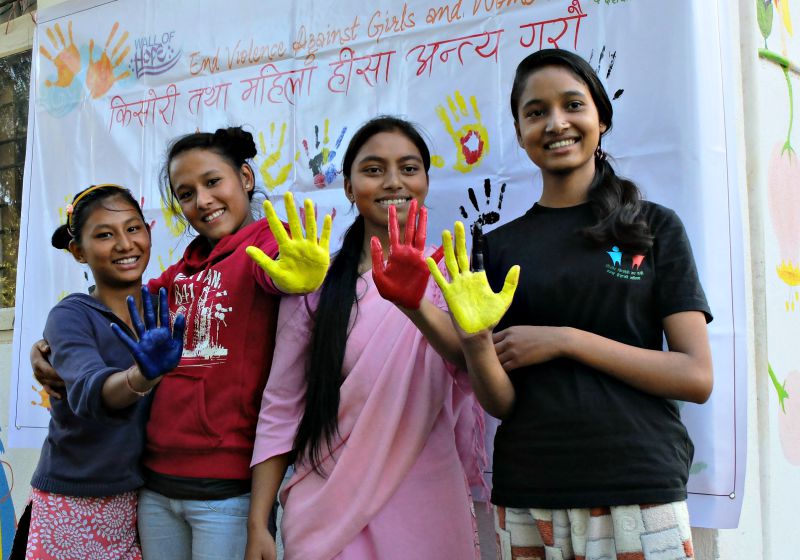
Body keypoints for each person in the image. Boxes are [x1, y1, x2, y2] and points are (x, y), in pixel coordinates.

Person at [429, 49, 714, 560]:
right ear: (519, 133)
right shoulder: (497, 248)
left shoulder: (654, 227)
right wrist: (474, 343)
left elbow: (695, 376)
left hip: (638, 487)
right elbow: (500, 403)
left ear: (601, 118)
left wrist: (564, 341)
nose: (556, 123)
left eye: (572, 105)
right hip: (530, 491)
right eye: (535, 112)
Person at [30, 127, 331, 560]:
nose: (202, 201)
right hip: (153, 486)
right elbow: (117, 308)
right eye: (185, 193)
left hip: (226, 488)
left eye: (213, 182)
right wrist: (45, 344)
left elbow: (275, 272)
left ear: (245, 178)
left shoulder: (269, 245)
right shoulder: (181, 272)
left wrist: (297, 279)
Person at [245, 116, 485, 560]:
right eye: (374, 170)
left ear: (427, 182)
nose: (394, 182)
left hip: (426, 499)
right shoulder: (316, 283)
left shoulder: (453, 278)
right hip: (327, 506)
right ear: (350, 189)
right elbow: (282, 403)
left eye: (409, 168)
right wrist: (259, 523)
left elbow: (478, 377)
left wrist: (417, 305)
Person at [24, 184, 184, 559]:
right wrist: (140, 376)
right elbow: (89, 390)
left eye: (133, 228)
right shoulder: (71, 315)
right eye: (104, 235)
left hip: (147, 497)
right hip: (75, 499)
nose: (125, 244)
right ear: (78, 251)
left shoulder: (165, 307)